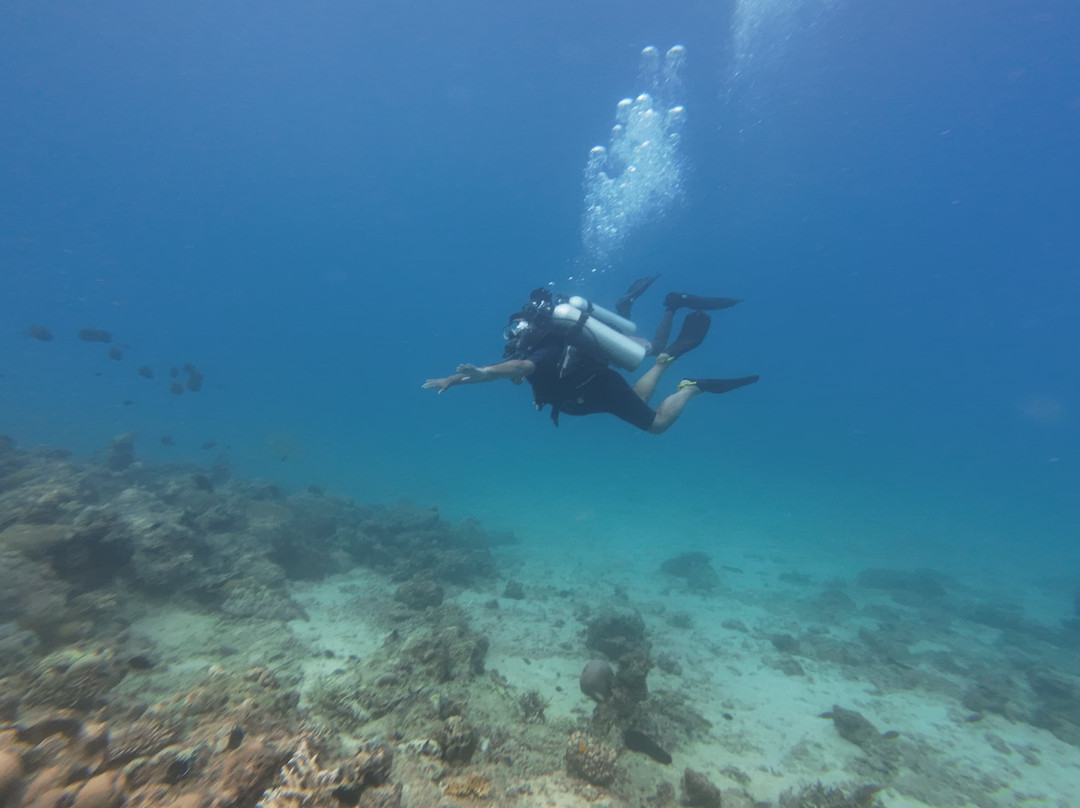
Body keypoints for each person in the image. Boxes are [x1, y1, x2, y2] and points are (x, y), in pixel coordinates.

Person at [422, 276, 758, 434]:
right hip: (582, 397)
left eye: (516, 329)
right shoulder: (526, 346)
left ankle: (691, 386)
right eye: (510, 332)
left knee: (656, 424)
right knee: (638, 394)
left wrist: (482, 374)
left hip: (592, 391)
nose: (513, 337)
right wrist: (454, 378)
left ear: (531, 326)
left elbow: (521, 367)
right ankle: (662, 360)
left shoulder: (546, 344)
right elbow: (513, 366)